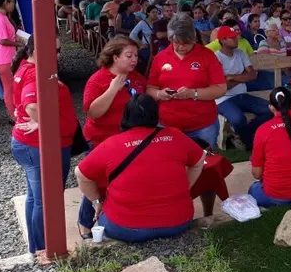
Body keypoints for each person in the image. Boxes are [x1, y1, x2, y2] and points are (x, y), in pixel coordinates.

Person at [75, 95, 207, 243]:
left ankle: (85, 228)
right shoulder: (175, 136)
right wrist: (184, 188)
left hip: (126, 228)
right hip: (178, 223)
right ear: (156, 114)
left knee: (106, 207)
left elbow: (81, 174)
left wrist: (96, 202)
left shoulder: (112, 144)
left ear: (126, 116)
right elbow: (200, 159)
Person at [10, 36, 78, 253]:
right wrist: (45, 122)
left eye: (58, 50)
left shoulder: (27, 68)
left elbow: (21, 104)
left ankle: (36, 246)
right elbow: (30, 104)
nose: (58, 55)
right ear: (34, 51)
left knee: (35, 197)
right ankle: (43, 248)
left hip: (30, 143)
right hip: (38, 145)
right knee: (45, 200)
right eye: (54, 51)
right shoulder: (34, 73)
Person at [78, 37, 147, 237]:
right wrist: (112, 90)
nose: (134, 60)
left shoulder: (136, 77)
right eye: (129, 55)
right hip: (102, 139)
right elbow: (92, 112)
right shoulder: (98, 79)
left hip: (129, 139)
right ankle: (85, 221)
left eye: (135, 55)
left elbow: (146, 93)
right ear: (114, 57)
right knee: (97, 181)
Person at [147, 14, 227, 148]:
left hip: (203, 125)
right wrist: (160, 94)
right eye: (177, 43)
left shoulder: (207, 56)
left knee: (205, 165)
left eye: (186, 43)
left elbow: (220, 88)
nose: (181, 47)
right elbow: (150, 88)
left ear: (193, 39)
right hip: (167, 124)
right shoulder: (160, 58)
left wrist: (193, 93)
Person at [215, 26, 274, 149]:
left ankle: (243, 134)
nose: (236, 39)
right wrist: (242, 76)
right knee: (238, 119)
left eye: (236, 36)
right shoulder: (216, 57)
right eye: (232, 37)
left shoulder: (240, 53)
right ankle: (250, 143)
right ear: (223, 40)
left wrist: (231, 77)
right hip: (223, 99)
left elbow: (252, 75)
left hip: (242, 95)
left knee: (272, 109)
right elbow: (224, 86)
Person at [0, 0, 23, 119]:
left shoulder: (1, 15)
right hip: (3, 58)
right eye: (12, 2)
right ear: (5, 3)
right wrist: (20, 45)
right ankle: (14, 117)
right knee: (10, 88)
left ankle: (16, 114)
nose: (14, 5)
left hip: (5, 57)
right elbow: (2, 40)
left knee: (11, 86)